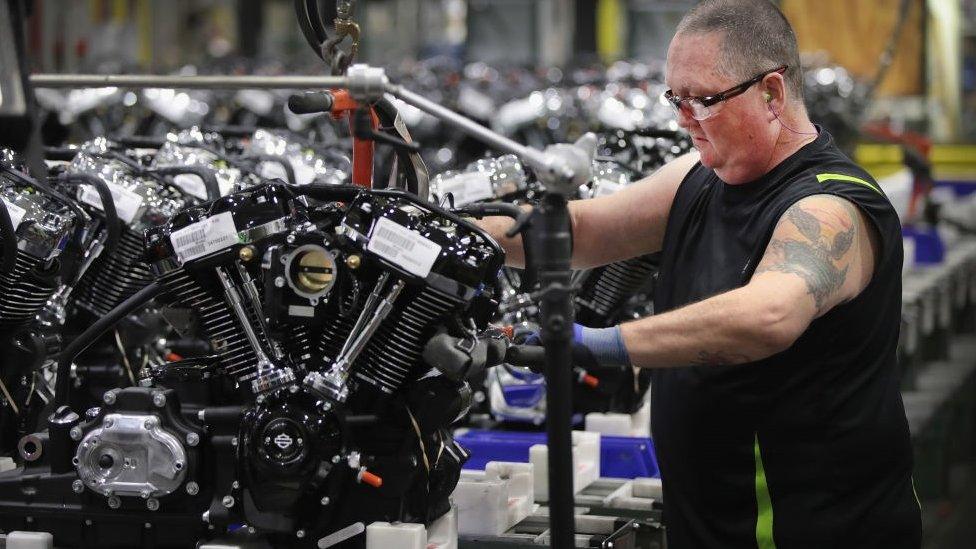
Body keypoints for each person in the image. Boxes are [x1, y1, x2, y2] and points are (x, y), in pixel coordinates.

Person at [476, 0, 922, 547]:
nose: (682, 118)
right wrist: (447, 229)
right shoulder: (700, 176)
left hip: (809, 529)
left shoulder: (831, 206)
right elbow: (579, 231)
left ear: (772, 93)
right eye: (675, 98)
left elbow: (767, 315)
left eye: (703, 100)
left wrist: (597, 343)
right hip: (714, 525)